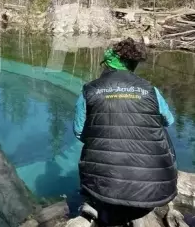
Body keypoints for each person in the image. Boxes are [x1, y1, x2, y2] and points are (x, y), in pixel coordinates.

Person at [73, 38, 177, 226]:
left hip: (104, 192)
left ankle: (93, 207)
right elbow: (169, 120)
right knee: (159, 129)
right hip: (154, 193)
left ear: (108, 64)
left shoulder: (89, 90)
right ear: (132, 65)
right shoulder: (150, 89)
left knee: (94, 138)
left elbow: (79, 132)